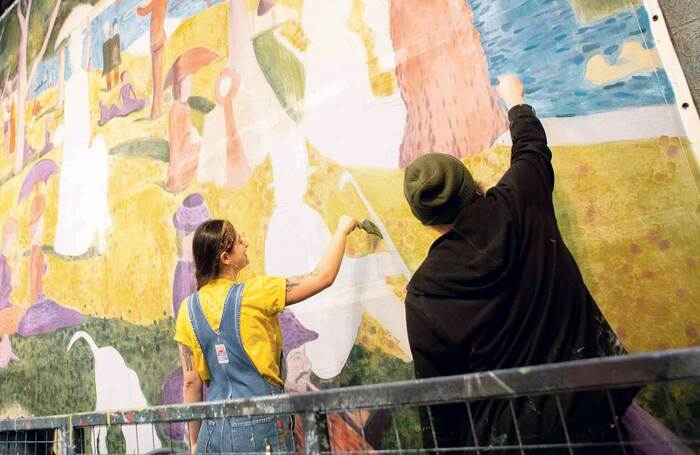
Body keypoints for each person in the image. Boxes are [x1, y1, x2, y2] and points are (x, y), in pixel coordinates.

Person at [402, 75, 636, 453]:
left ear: (425, 220)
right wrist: (515, 100)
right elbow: (531, 147)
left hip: (520, 438)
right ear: (470, 182)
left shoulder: (424, 293)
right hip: (595, 403)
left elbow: (437, 397)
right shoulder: (521, 197)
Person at [174, 215, 360, 453]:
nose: (246, 243)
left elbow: (191, 382)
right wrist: (342, 231)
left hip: (214, 432)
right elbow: (322, 277)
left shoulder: (187, 310)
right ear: (225, 258)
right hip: (263, 429)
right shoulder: (258, 292)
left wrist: (194, 442)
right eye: (240, 241)